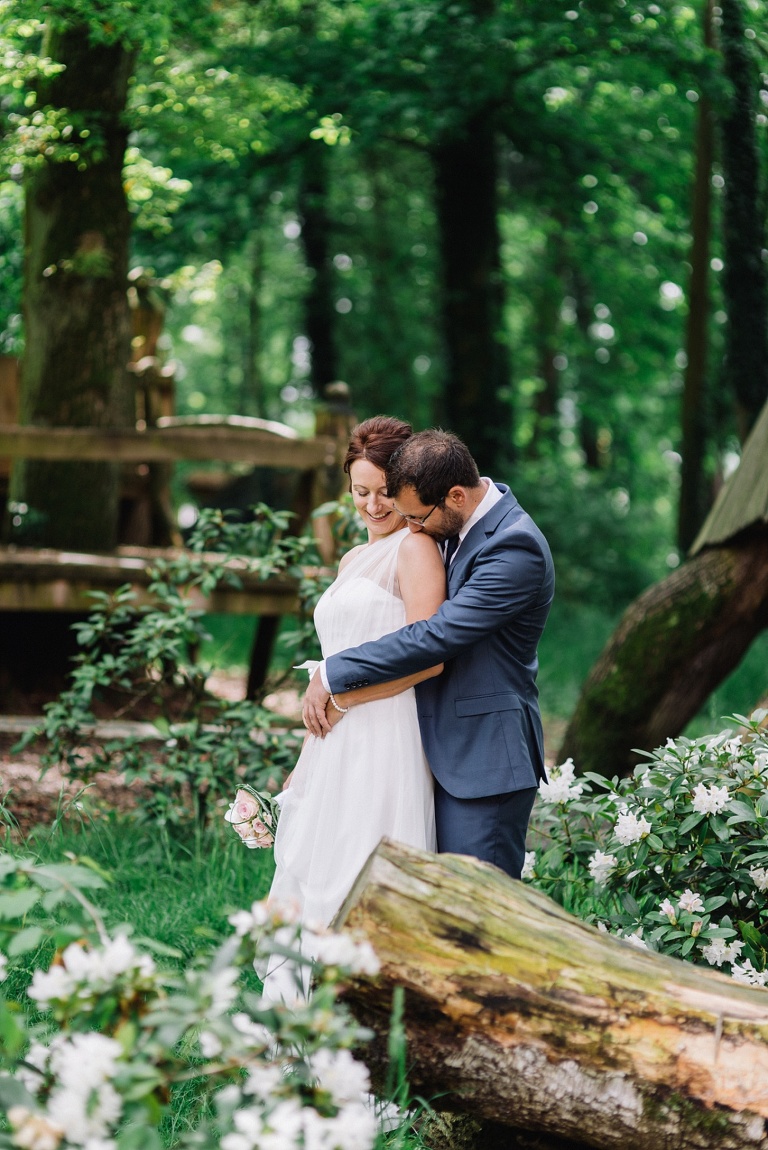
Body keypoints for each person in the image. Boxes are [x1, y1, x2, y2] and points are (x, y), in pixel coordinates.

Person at [303, 428, 555, 881]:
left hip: (483, 758)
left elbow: (435, 636)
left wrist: (333, 673)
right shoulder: (455, 522)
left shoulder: (516, 547)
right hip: (426, 750)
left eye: (417, 517)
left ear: (455, 496)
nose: (412, 528)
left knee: (478, 916)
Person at [262, 416, 446, 1001]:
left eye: (386, 491)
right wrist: (304, 759)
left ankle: (363, 1049)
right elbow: (329, 664)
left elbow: (428, 658)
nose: (373, 504)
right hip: (332, 745)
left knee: (358, 877)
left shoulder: (415, 551)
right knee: (310, 875)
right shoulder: (348, 562)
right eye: (360, 491)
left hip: (383, 738)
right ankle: (298, 1044)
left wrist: (344, 698)